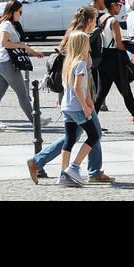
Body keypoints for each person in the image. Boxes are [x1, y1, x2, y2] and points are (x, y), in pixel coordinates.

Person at [29, 10, 114, 185]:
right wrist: (85, 103)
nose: (97, 22)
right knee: (94, 134)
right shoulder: (79, 41)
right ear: (90, 20)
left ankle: (55, 169)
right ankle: (85, 170)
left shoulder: (74, 39)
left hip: (73, 99)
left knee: (72, 137)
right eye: (95, 19)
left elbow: (67, 73)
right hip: (78, 99)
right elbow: (76, 80)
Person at [93, 0, 134, 132]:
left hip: (103, 57)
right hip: (115, 58)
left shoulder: (102, 18)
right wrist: (128, 45)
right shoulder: (113, 21)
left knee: (101, 94)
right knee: (126, 92)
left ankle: (92, 124)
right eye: (119, 5)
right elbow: (119, 44)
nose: (120, 8)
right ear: (113, 5)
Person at [0, 0, 45, 130]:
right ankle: (35, 121)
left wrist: (33, 51)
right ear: (13, 12)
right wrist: (22, 46)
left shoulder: (6, 24)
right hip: (7, 62)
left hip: (1, 62)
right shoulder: (6, 25)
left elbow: (19, 45)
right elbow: (4, 43)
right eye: (20, 12)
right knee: (22, 93)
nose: (21, 15)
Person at [54, 30, 100, 188]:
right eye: (87, 43)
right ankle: (74, 167)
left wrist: (89, 99)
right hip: (76, 107)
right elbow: (77, 88)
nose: (89, 46)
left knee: (70, 139)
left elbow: (82, 85)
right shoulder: (80, 63)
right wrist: (85, 107)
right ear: (82, 45)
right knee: (94, 136)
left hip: (67, 107)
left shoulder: (69, 62)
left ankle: (62, 175)